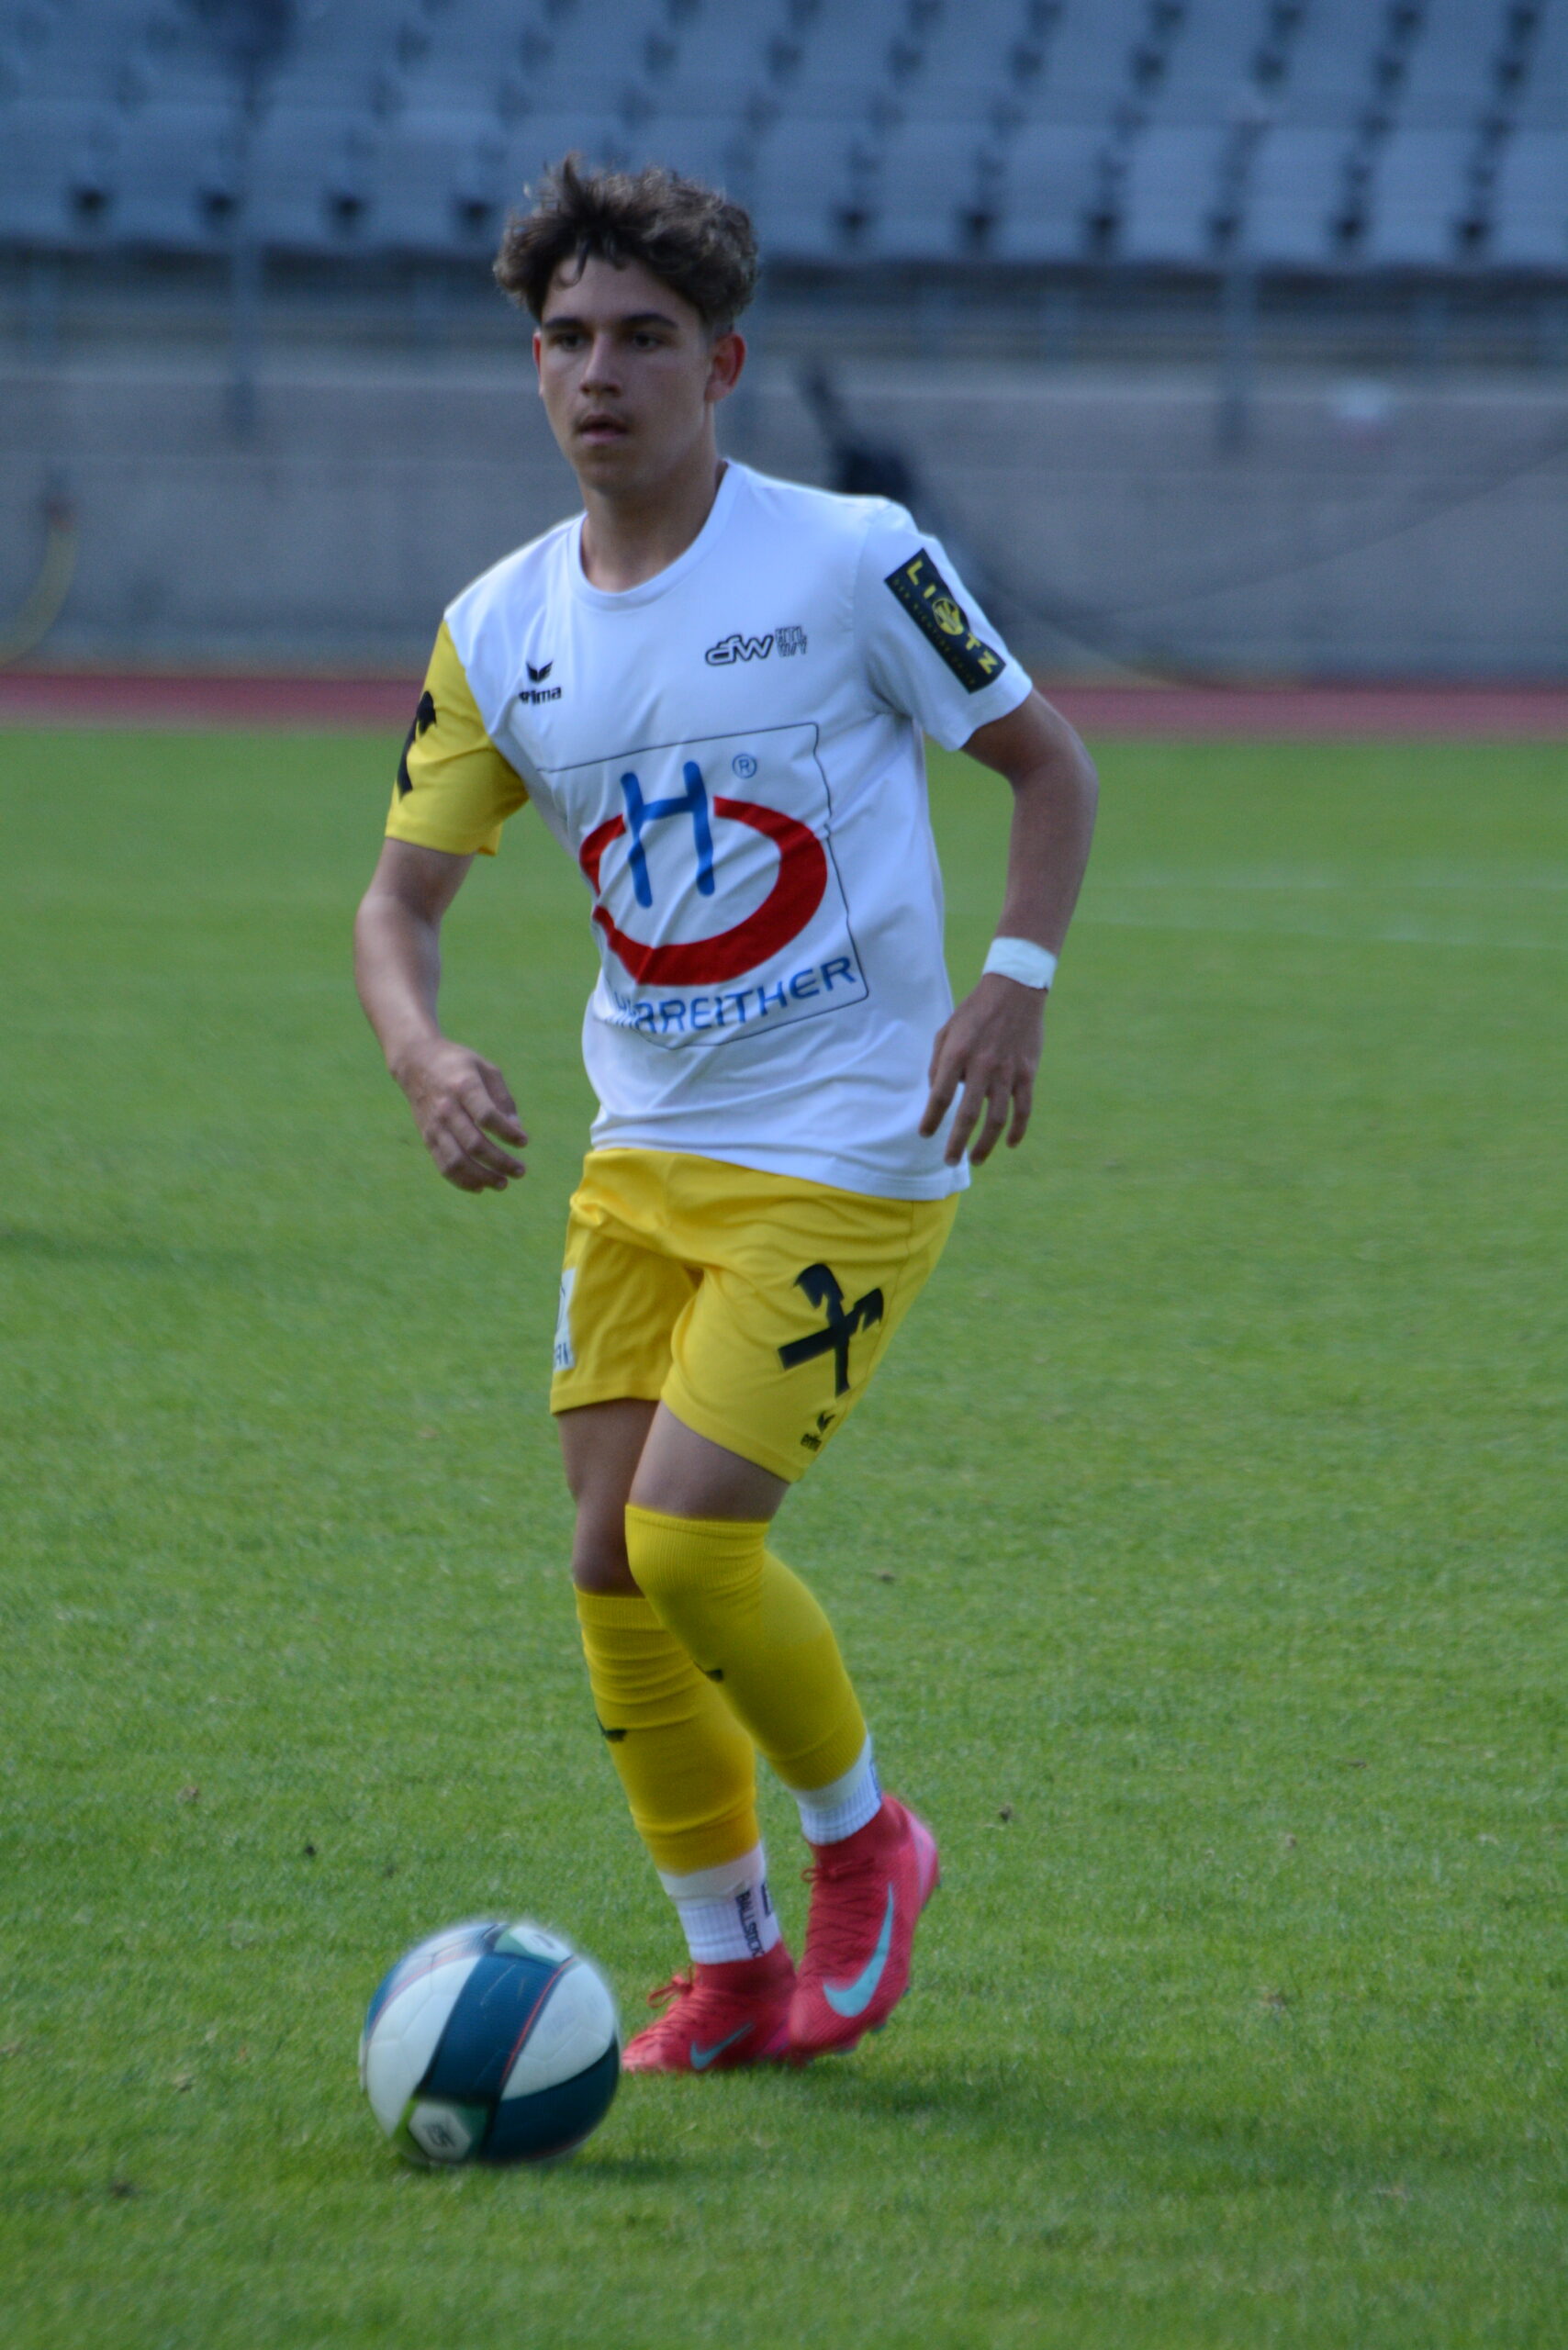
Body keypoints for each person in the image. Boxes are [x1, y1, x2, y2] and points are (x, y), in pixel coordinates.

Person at [353, 159, 1097, 2074]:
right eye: (566, 340)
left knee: (687, 1545)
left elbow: (1048, 766)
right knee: (607, 1566)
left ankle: (868, 1844)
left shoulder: (850, 559)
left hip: (852, 1141)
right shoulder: (495, 627)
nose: (599, 373)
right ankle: (732, 1965)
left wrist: (1011, 983)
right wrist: (424, 1053)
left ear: (723, 363)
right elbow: (396, 905)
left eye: (643, 338)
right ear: (534, 366)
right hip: (641, 1151)